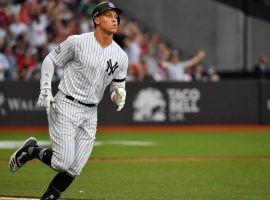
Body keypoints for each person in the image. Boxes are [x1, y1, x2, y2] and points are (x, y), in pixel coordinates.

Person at [8, 2, 128, 199]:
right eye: (108, 15)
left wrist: (119, 95)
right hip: (67, 104)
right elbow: (50, 60)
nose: (114, 19)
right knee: (61, 163)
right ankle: (31, 151)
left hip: (91, 112)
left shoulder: (121, 56)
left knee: (75, 167)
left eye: (116, 16)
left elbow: (118, 86)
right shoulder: (78, 41)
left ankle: (49, 197)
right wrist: (45, 89)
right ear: (97, 20)